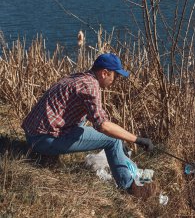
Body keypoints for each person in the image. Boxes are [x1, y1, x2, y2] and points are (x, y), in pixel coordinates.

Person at [22, 53, 157, 199]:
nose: (115, 81)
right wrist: (137, 139)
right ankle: (130, 188)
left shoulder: (80, 78)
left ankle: (47, 156)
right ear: (105, 73)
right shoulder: (91, 86)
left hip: (34, 135)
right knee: (112, 141)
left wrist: (120, 136)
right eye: (115, 76)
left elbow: (96, 116)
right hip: (43, 140)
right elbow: (103, 126)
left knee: (93, 125)